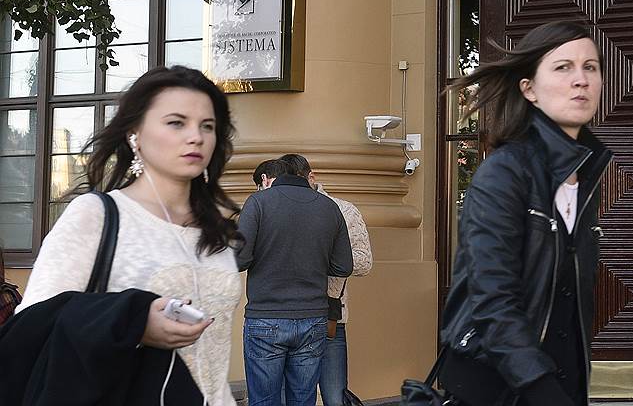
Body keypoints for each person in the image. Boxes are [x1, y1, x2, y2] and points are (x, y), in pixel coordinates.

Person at [10, 66, 244, 404]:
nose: (196, 136)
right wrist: (133, 322)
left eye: (207, 126)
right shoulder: (97, 214)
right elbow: (34, 324)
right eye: (176, 123)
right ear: (135, 133)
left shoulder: (216, 231)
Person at [437, 21, 612, 406]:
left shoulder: (585, 177)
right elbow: (492, 300)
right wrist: (541, 389)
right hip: (499, 389)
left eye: (591, 67)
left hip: (560, 384)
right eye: (563, 67)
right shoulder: (503, 174)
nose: (581, 80)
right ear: (529, 89)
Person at [236, 153, 354, 406]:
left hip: (266, 316)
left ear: (270, 178)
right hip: (313, 317)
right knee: (303, 399)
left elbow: (239, 259)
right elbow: (343, 266)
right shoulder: (329, 207)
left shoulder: (258, 202)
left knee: (264, 401)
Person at [276, 153, 373, 406]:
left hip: (329, 317)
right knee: (288, 397)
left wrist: (320, 257)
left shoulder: (344, 210)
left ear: (312, 178)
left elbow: (364, 262)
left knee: (335, 397)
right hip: (285, 316)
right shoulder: (276, 208)